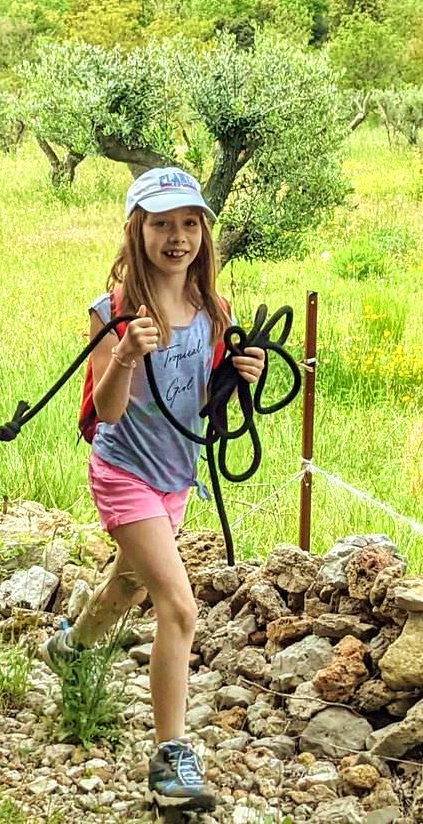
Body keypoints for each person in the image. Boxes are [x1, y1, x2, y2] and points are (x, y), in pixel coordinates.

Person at [44, 167, 264, 812]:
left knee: (131, 580)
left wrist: (239, 375)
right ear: (136, 230)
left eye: (189, 223)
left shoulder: (214, 312)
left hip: (177, 476)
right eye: (162, 224)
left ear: (204, 231)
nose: (177, 237)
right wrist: (124, 356)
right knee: (180, 606)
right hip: (124, 473)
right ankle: (171, 757)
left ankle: (74, 645)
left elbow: (205, 405)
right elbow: (106, 412)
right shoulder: (112, 313)